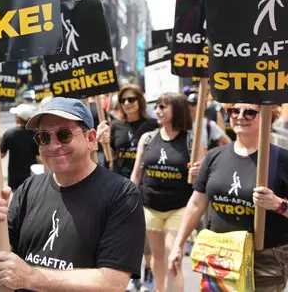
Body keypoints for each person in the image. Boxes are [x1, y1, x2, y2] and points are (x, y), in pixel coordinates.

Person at [0, 97, 146, 292]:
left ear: (91, 139)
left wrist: (31, 277)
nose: (53, 145)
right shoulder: (29, 188)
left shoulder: (122, 195)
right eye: (44, 137)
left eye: (64, 135)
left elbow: (113, 282)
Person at [168, 104, 288, 292]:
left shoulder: (282, 159)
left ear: (267, 116)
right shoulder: (215, 156)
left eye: (249, 112)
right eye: (234, 111)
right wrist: (178, 244)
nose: (240, 117)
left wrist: (277, 204)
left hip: (264, 260)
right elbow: (197, 203)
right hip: (219, 254)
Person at [130, 92, 203, 292]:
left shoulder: (191, 140)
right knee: (157, 257)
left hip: (179, 208)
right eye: (157, 106)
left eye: (163, 106)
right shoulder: (147, 139)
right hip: (150, 207)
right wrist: (129, 200)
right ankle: (160, 289)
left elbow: (203, 178)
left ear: (177, 110)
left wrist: (197, 171)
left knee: (173, 257)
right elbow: (137, 174)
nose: (158, 110)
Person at [97, 84, 158, 292]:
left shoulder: (152, 125)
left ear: (139, 101)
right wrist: (103, 143)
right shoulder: (115, 127)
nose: (127, 104)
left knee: (146, 233)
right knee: (127, 234)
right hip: (121, 184)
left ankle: (149, 268)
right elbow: (110, 159)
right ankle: (132, 273)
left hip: (147, 184)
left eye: (131, 99)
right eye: (123, 101)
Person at [1, 104, 41, 192]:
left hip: (15, 179)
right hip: (32, 177)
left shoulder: (9, 134)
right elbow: (39, 158)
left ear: (17, 118)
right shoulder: (37, 134)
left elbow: (1, 155)